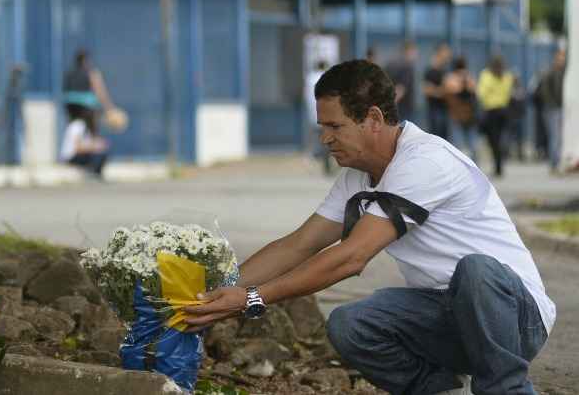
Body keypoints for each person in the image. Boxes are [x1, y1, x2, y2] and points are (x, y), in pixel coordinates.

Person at [185, 59, 554, 395]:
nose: (324, 138)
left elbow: (351, 257)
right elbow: (298, 245)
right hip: (447, 315)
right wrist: (212, 296)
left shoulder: (425, 162)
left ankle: (508, 390)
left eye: (334, 126)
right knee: (350, 324)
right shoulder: (357, 178)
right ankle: (443, 391)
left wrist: (252, 298)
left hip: (516, 317)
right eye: (321, 127)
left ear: (374, 119)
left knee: (475, 271)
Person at [477, 56, 514, 178]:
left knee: (493, 141)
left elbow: (481, 94)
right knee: (500, 139)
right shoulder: (507, 76)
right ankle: (499, 166)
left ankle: (498, 166)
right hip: (503, 111)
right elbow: (508, 92)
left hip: (490, 111)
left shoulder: (486, 75)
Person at [444, 56, 478, 163]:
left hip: (458, 115)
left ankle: (459, 167)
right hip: (465, 115)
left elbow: (448, 91)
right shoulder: (469, 78)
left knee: (458, 145)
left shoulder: (451, 78)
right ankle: (473, 167)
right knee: (469, 144)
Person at [59, 104, 109, 178]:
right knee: (98, 155)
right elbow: (78, 148)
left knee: (102, 154)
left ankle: (95, 173)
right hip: (71, 157)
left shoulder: (88, 129)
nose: (97, 119)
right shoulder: (78, 125)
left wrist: (99, 144)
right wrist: (95, 147)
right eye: (95, 116)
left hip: (81, 155)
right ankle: (93, 173)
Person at [539, 49, 566, 172]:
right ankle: (554, 163)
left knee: (559, 136)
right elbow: (545, 91)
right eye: (560, 57)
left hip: (561, 107)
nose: (561, 60)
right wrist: (552, 103)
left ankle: (558, 161)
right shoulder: (550, 72)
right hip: (552, 108)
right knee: (554, 136)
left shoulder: (564, 72)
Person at [305, 60, 332, 174]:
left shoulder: (310, 78)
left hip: (312, 112)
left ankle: (314, 158)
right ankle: (326, 164)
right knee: (327, 139)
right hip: (325, 113)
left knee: (315, 138)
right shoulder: (325, 78)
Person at [423, 43, 452, 140]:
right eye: (446, 52)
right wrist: (442, 91)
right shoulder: (430, 71)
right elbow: (427, 90)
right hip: (435, 111)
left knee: (445, 139)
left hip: (445, 109)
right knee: (436, 139)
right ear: (439, 53)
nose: (448, 55)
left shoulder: (445, 71)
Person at [385, 41, 417, 123]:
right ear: (408, 51)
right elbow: (401, 88)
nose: (416, 55)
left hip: (397, 108)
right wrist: (391, 103)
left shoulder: (393, 65)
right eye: (414, 52)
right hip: (404, 108)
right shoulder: (407, 66)